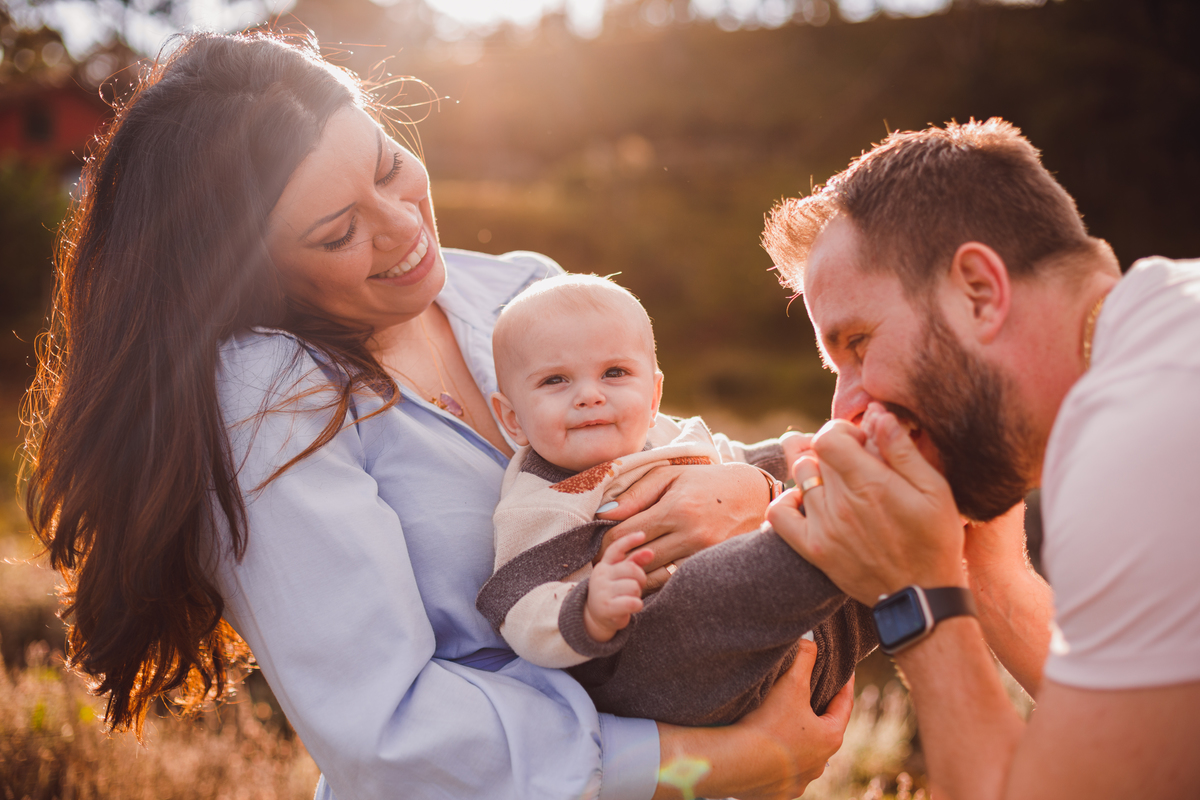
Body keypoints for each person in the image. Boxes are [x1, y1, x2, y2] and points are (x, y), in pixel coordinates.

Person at [21, 31, 856, 800]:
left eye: (387, 168)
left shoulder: (520, 288)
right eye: (339, 231)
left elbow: (647, 453)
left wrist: (740, 489)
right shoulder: (267, 395)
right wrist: (719, 765)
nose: (401, 229)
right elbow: (390, 732)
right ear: (249, 273)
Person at [760, 118, 1200, 799]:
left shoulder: (1142, 432)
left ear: (980, 291)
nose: (841, 413)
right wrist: (985, 579)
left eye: (857, 342)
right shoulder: (1166, 338)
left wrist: (914, 592)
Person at [477, 273, 876, 725]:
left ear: (654, 397)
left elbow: (725, 458)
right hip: (672, 674)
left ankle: (893, 551)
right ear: (512, 419)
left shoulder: (666, 435)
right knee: (710, 583)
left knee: (870, 544)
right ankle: (817, 545)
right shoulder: (544, 500)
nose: (589, 395)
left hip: (803, 651)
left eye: (614, 373)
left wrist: (779, 455)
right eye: (555, 381)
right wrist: (587, 607)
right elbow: (519, 605)